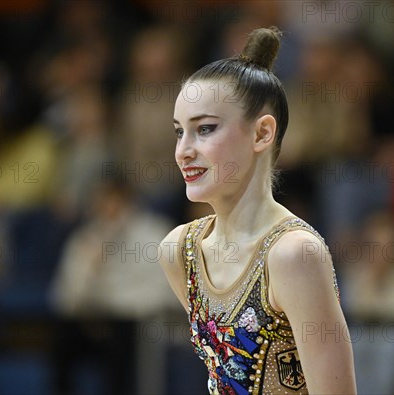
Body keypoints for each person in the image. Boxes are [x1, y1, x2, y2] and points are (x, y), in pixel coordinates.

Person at [159, 27, 356, 395]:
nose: (184, 150)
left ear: (262, 134)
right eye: (178, 132)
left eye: (204, 129)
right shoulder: (179, 250)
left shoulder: (294, 254)